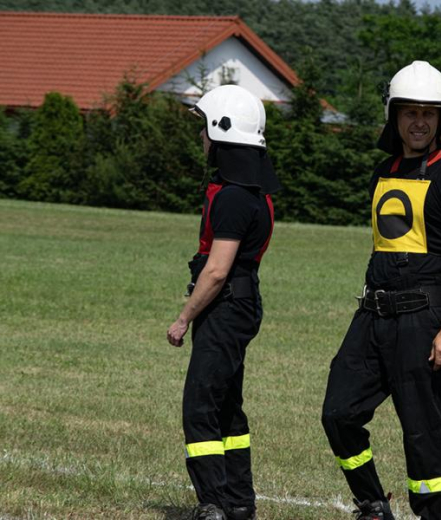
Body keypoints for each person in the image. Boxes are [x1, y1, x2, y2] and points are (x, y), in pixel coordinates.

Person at [321, 61, 441, 520]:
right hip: (373, 314)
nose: (418, 122)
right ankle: (373, 504)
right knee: (338, 413)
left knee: (422, 431)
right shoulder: (382, 171)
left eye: (428, 114)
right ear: (394, 117)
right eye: (409, 112)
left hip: (423, 317)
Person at [167, 84, 281, 520]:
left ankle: (213, 503)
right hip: (241, 303)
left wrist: (183, 318)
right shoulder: (251, 193)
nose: (201, 138)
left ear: (222, 131)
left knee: (201, 404)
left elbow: (217, 270)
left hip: (226, 306)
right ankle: (239, 502)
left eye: (204, 129)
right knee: (228, 405)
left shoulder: (233, 198)